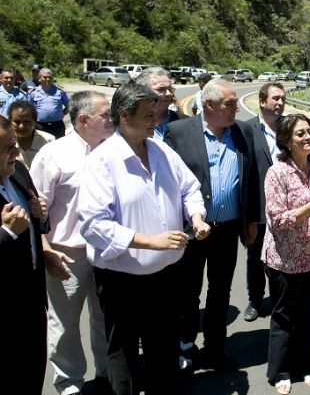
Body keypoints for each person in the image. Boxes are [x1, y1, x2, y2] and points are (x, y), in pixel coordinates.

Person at [77, 83, 211, 395]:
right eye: (149, 115)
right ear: (124, 116)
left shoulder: (161, 149)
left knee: (163, 347)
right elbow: (94, 224)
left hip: (165, 275)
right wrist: (150, 242)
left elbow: (190, 188)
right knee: (123, 353)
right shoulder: (103, 161)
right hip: (122, 279)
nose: (156, 121)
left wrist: (196, 217)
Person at [165, 78, 259, 372]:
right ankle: (186, 346)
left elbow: (252, 177)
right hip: (193, 229)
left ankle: (215, 347)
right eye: (229, 104)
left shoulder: (243, 131)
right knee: (188, 292)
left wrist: (252, 220)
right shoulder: (179, 132)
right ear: (208, 106)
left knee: (221, 290)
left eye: (235, 103)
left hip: (229, 229)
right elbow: (168, 184)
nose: (235, 110)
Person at [30, 91, 115, 395]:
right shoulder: (54, 155)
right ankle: (69, 383)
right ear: (83, 120)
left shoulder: (114, 150)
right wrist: (46, 249)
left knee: (105, 318)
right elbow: (35, 208)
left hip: (107, 252)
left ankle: (108, 373)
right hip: (67, 254)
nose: (112, 119)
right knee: (65, 324)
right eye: (105, 115)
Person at [262, 114, 310, 394]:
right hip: (285, 257)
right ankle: (280, 370)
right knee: (285, 315)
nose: (308, 138)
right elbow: (277, 219)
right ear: (286, 141)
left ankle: (307, 365)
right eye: (300, 134)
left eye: (309, 132)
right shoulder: (277, 172)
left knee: (308, 315)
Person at [0, 114, 49, 394]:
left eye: (15, 145)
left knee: (31, 375)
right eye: (7, 148)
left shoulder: (18, 170)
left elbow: (38, 224)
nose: (16, 152)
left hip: (31, 301)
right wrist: (6, 233)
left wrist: (40, 218)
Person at [241, 82, 285, 322]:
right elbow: (244, 175)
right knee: (256, 258)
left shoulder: (289, 128)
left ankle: (279, 299)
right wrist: (247, 217)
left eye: (282, 99)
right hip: (258, 207)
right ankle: (255, 301)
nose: (279, 103)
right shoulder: (246, 129)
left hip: (286, 209)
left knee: (282, 257)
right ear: (261, 101)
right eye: (275, 98)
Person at [134, 67, 180, 140]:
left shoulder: (183, 121)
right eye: (161, 89)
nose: (169, 94)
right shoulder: (131, 124)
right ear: (142, 91)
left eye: (170, 89)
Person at [8, 100, 55, 168]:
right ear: (10, 121)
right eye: (17, 122)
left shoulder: (49, 141)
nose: (21, 126)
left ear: (35, 121)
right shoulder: (5, 143)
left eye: (27, 122)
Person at [30, 67, 70, 138]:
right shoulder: (33, 93)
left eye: (50, 77)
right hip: (40, 126)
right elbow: (29, 109)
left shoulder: (60, 92)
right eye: (45, 77)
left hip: (57, 125)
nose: (47, 79)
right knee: (39, 146)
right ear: (39, 79)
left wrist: (60, 114)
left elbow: (68, 106)